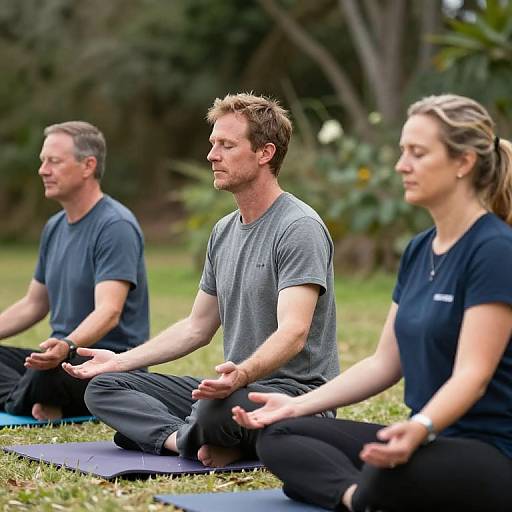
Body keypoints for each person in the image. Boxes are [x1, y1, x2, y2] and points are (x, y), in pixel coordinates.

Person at [232, 94, 512, 512]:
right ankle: (358, 498)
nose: (402, 165)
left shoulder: (494, 250)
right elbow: (384, 363)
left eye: (417, 153)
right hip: (425, 440)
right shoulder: (419, 250)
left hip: (489, 451)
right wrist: (295, 405)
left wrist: (419, 427)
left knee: (382, 471)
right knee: (282, 434)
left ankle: (363, 491)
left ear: (463, 162)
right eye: (403, 152)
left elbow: (473, 375)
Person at [63, 92, 339, 468]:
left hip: (295, 396)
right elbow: (197, 327)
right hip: (233, 390)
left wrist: (241, 373)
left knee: (214, 411)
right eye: (213, 144)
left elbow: (294, 332)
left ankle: (199, 431)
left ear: (265, 153)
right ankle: (184, 440)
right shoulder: (224, 231)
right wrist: (120, 362)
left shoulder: (298, 228)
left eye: (226, 145)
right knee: (106, 387)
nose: (212, 155)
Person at [0, 121, 149, 421]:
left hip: (105, 366)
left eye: (53, 161)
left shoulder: (115, 226)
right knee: (42, 372)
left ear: (87, 166)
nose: (43, 170)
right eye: (42, 161)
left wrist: (68, 344)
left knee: (46, 376)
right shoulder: (54, 227)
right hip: (58, 359)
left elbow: (109, 311)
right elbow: (34, 303)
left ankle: (31, 399)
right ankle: (34, 402)